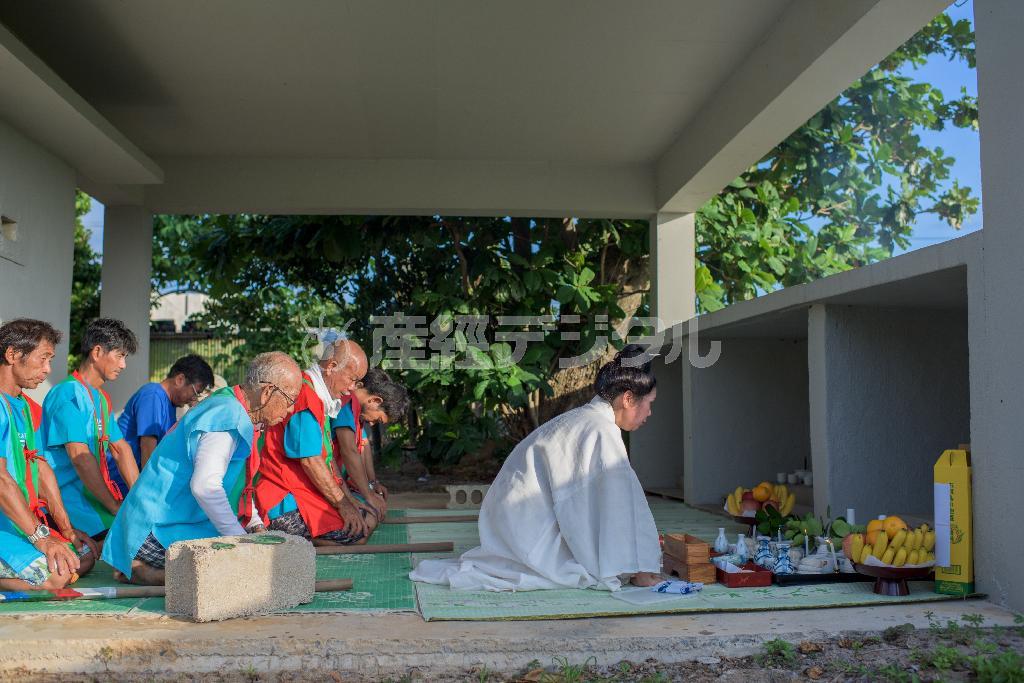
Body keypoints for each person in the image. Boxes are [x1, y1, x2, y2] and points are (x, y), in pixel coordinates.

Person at [410, 344, 663, 591]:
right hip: (526, 528)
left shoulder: (587, 420)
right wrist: (638, 567)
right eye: (649, 403)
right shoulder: (600, 429)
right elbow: (618, 506)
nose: (650, 413)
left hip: (511, 522)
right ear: (628, 399)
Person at [102, 351, 303, 585]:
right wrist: (240, 541)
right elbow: (205, 486)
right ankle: (149, 572)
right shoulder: (229, 415)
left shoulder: (233, 406)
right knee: (247, 572)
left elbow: (239, 486)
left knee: (262, 557)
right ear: (268, 392)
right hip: (153, 533)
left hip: (163, 525)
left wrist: (254, 524)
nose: (290, 410)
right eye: (290, 400)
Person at [0, 319, 99, 590]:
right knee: (57, 576)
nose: (48, 370)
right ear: (11, 355)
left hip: (14, 524)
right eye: (43, 359)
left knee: (82, 557)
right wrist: (42, 539)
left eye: (50, 360)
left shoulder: (23, 406)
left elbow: (40, 467)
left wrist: (65, 529)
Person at [256, 336, 376, 545]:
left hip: (301, 491)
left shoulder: (319, 398)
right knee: (359, 532)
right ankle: (296, 542)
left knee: (365, 519)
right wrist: (344, 504)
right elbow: (311, 461)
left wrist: (347, 500)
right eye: (352, 379)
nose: (352, 388)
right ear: (331, 367)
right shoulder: (307, 395)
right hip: (283, 498)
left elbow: (326, 459)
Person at [41, 318, 140, 542]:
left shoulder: (101, 398)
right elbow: (80, 458)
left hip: (94, 504)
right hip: (71, 506)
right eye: (120, 355)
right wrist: (115, 507)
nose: (123, 365)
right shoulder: (67, 393)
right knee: (136, 546)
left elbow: (121, 449)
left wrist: (139, 499)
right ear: (97, 352)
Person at [113, 354, 214, 495]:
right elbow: (147, 449)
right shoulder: (153, 395)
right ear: (180, 379)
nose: (193, 398)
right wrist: (149, 493)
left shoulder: (170, 405)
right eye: (195, 392)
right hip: (121, 483)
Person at [331, 368, 410, 519]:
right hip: (329, 485)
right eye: (378, 419)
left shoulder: (356, 412)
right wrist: (368, 495)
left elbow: (364, 447)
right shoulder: (346, 405)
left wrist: (372, 484)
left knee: (372, 514)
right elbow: (350, 452)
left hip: (339, 484)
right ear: (375, 399)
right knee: (367, 519)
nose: (373, 424)